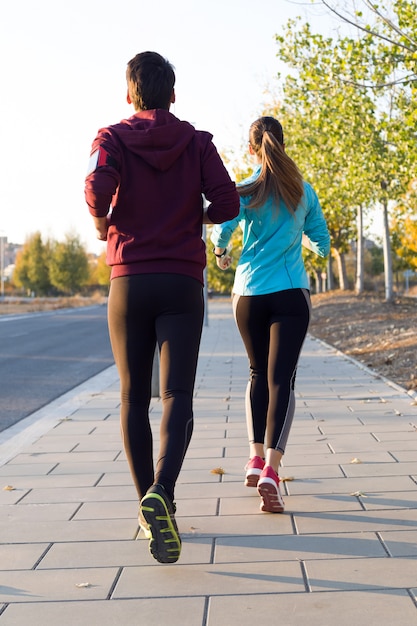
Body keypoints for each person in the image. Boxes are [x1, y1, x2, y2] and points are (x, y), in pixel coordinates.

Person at [85, 51, 240, 563]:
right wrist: (196, 213)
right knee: (178, 393)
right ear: (173, 94)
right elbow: (229, 201)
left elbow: (95, 186)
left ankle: (145, 507)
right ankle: (164, 493)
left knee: (133, 397)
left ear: (129, 93)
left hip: (128, 279)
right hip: (181, 280)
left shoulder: (109, 138)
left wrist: (103, 222)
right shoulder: (197, 143)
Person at [211, 116, 330, 513]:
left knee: (257, 373)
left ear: (251, 149)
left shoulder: (245, 191)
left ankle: (255, 457)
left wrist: (222, 253)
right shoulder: (303, 191)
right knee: (284, 380)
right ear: (283, 143)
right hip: (291, 294)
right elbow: (323, 243)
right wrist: (302, 244)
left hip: (248, 295)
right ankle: (271, 472)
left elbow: (222, 230)